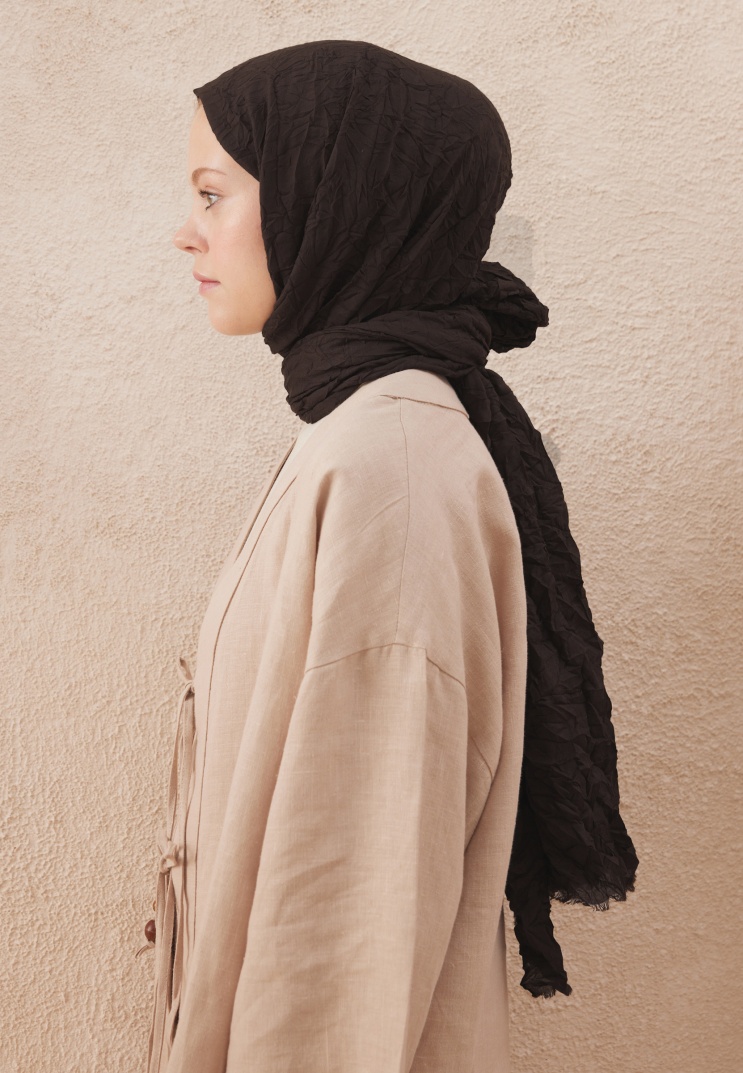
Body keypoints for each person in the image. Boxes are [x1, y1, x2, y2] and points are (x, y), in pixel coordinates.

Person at [137, 40, 638, 1073]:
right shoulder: (358, 433)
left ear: (335, 200)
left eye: (213, 193)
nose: (184, 229)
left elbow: (338, 945)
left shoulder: (388, 468)